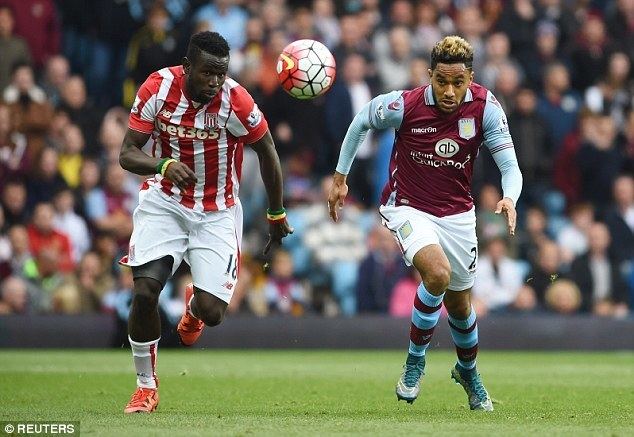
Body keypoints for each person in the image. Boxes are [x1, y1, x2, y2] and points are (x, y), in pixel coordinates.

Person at [328, 36, 522, 411]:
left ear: (470, 78)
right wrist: (340, 176)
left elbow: (509, 165)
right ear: (429, 75)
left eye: (458, 83)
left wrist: (509, 196)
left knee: (462, 306)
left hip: (459, 215)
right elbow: (361, 120)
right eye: (442, 81)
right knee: (437, 273)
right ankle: (415, 362)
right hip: (408, 207)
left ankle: (469, 371)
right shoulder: (405, 104)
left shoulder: (486, 108)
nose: (450, 91)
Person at [118, 31, 292, 414]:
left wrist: (276, 211)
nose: (215, 82)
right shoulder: (158, 88)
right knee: (145, 291)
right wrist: (163, 165)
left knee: (213, 313)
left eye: (221, 73)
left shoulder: (235, 100)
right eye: (208, 73)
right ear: (187, 68)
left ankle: (194, 310)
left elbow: (267, 150)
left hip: (217, 212)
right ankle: (146, 386)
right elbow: (128, 154)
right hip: (164, 203)